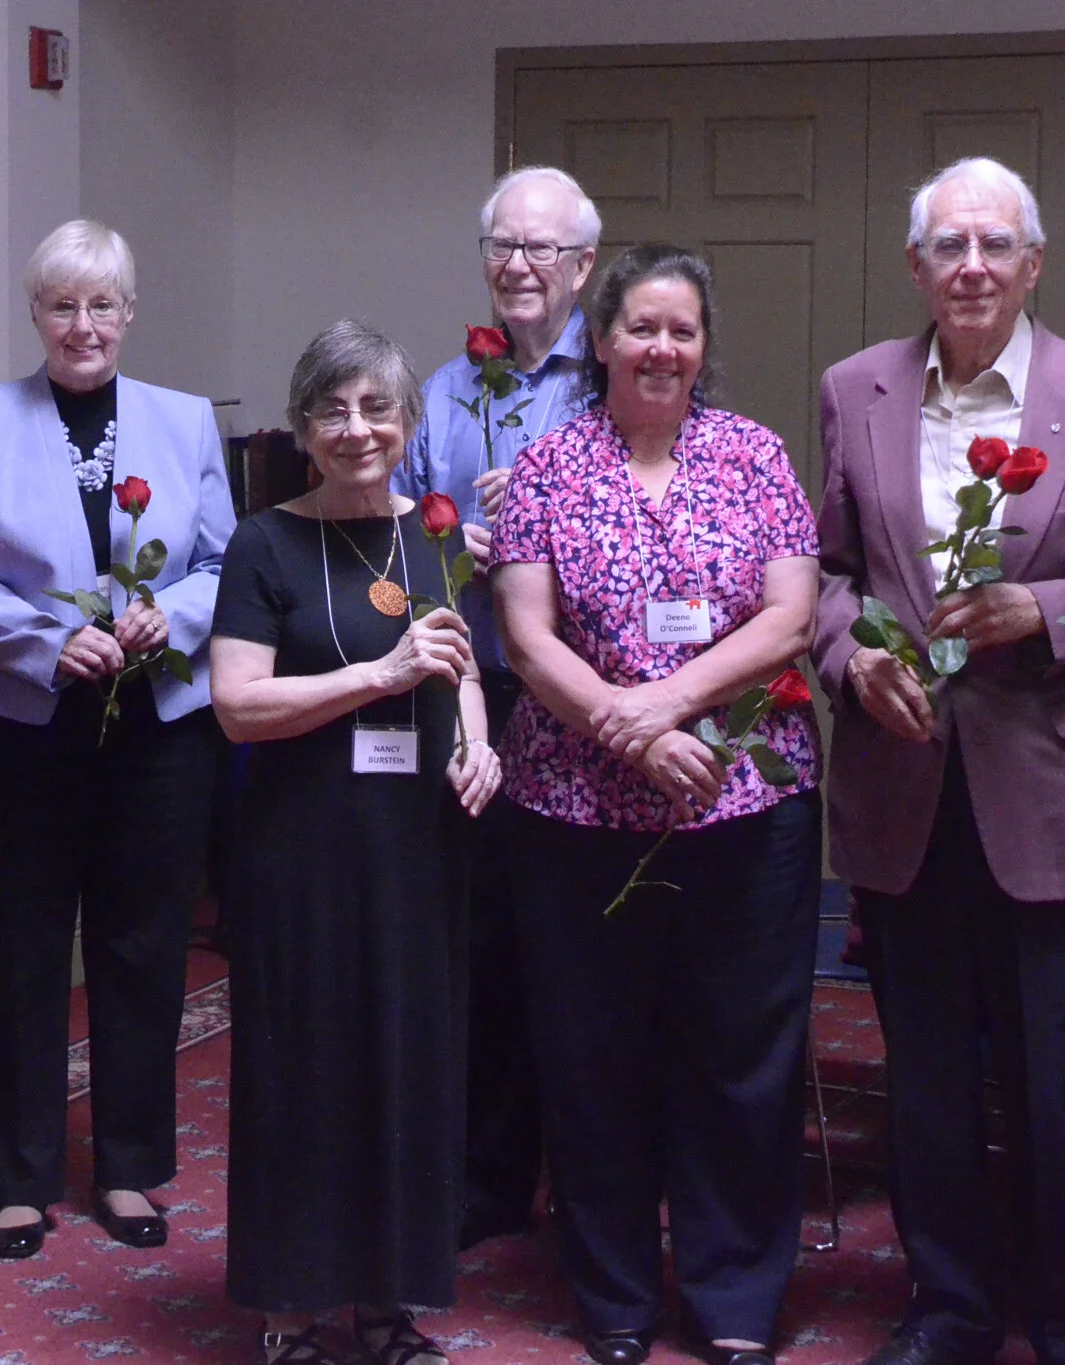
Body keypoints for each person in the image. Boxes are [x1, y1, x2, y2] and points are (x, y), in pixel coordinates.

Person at [813, 156, 1065, 1365]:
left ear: (1033, 264)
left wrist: (1052, 615)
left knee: (1060, 1077)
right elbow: (825, 575)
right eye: (948, 247)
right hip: (901, 781)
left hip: (1057, 792)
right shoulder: (852, 389)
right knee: (921, 1073)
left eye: (995, 246)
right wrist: (848, 658)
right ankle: (950, 1305)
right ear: (916, 266)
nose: (972, 267)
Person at [488, 245, 823, 1365]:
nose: (663, 348)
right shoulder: (546, 467)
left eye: (683, 330)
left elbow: (789, 620)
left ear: (704, 345)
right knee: (595, 1058)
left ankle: (734, 1295)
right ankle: (617, 1293)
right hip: (574, 814)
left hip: (745, 810)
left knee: (741, 1054)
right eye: (642, 327)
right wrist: (624, 729)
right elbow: (527, 639)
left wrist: (667, 706)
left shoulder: (756, 456)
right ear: (602, 339)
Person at [0, 219, 232, 1259]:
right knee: (19, 948)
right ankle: (18, 1178)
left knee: (143, 947)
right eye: (62, 304)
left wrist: (174, 618)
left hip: (156, 723)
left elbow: (220, 558)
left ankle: (133, 1168)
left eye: (103, 304)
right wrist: (52, 641)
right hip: (20, 721)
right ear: (36, 314)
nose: (83, 325)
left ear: (130, 314)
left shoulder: (186, 421)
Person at [214, 319, 501, 1365]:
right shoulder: (262, 543)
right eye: (333, 409)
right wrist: (378, 679)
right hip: (302, 850)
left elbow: (461, 666)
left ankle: (388, 1303)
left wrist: (479, 745)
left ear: (409, 424)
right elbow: (239, 707)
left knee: (407, 1068)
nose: (355, 427)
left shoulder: (436, 536)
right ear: (300, 427)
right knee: (305, 1069)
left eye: (378, 407)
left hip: (418, 846)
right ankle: (292, 1304)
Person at [393, 164, 599, 1248]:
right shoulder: (438, 393)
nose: (519, 267)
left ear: (585, 269)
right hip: (474, 699)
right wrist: (442, 543)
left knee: (578, 953)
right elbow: (393, 529)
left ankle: (591, 1180)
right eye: (502, 247)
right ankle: (485, 1181)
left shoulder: (620, 380)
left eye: (543, 251)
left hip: (587, 709)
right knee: (480, 949)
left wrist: (557, 515)